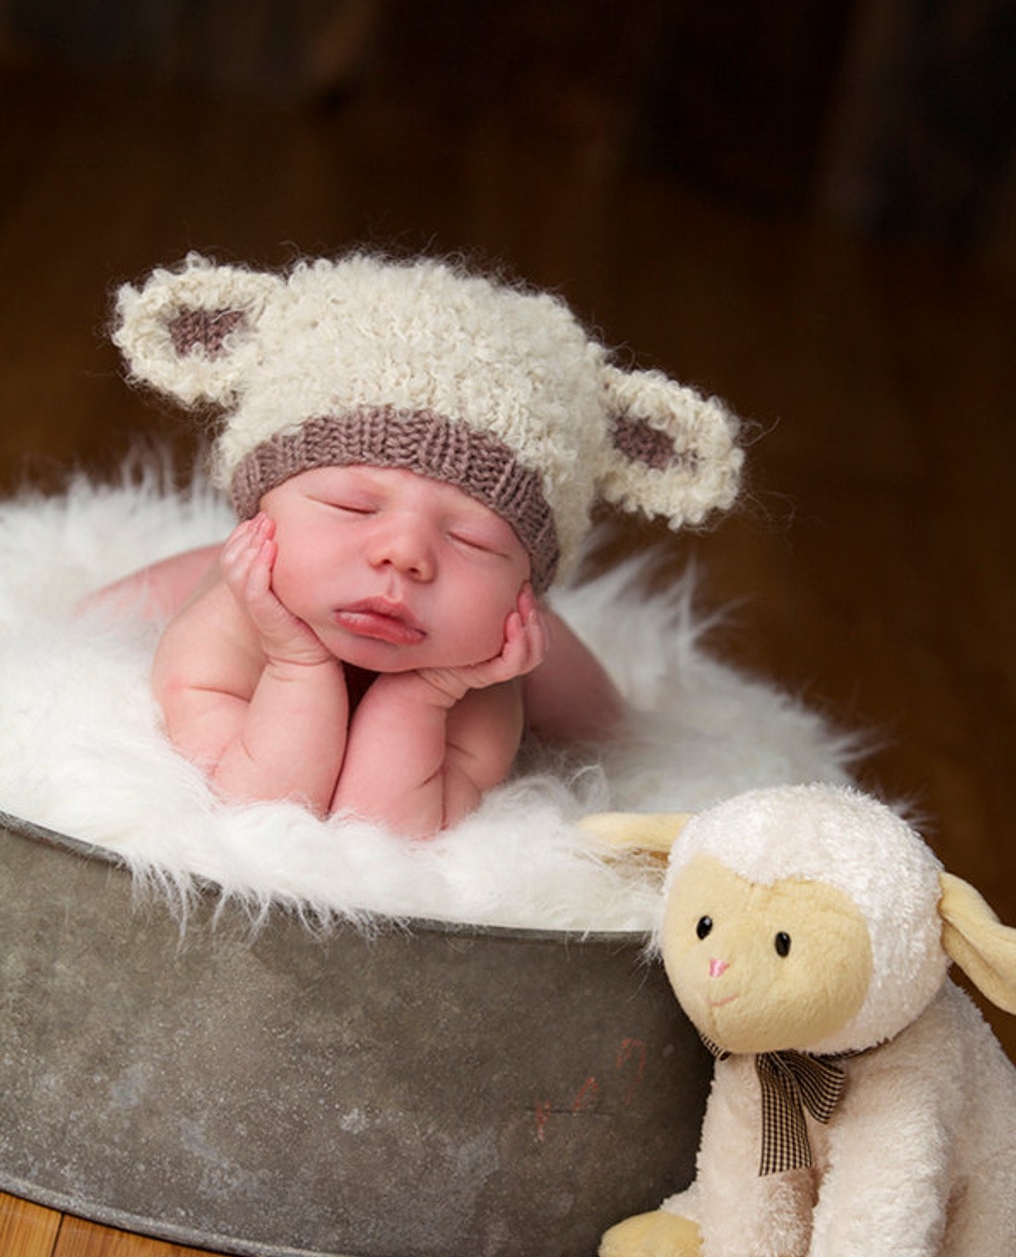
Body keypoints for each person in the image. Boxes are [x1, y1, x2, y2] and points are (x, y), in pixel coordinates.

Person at [101, 251, 743, 837]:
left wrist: (426, 693)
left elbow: (383, 832)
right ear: (257, 510)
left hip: (484, 654)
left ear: (527, 582)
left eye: (474, 540)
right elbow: (265, 808)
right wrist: (297, 661)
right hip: (238, 610)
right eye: (352, 506)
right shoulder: (217, 637)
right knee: (115, 606)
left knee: (598, 721)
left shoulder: (485, 684)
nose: (404, 554)